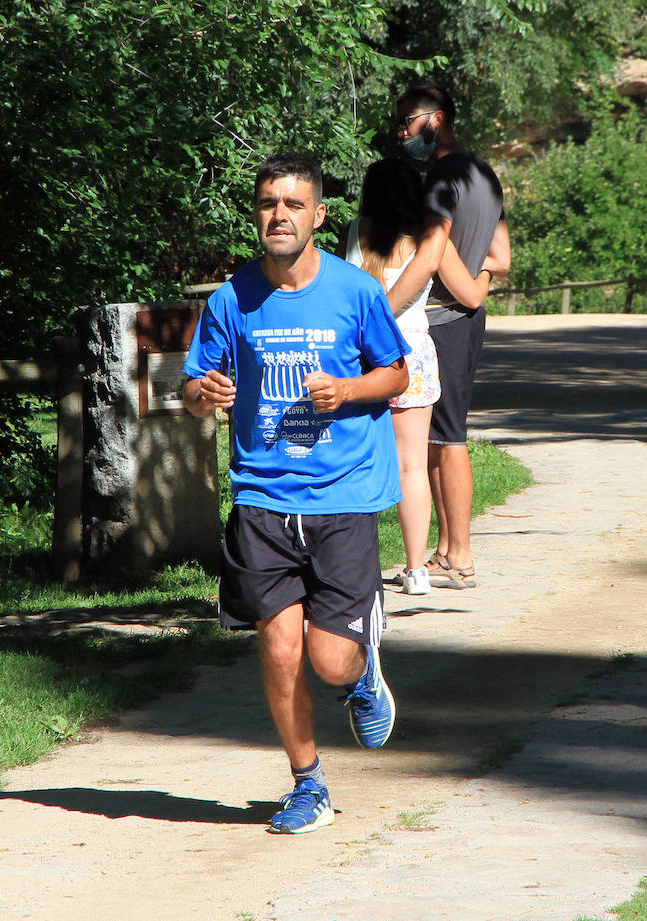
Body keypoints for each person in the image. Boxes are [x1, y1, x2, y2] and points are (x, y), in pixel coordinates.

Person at [183, 152, 407, 834]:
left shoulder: (355, 291)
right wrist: (204, 395)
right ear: (257, 213)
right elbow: (195, 388)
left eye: (292, 203)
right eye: (267, 203)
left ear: (318, 214)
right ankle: (307, 783)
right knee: (279, 649)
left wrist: (348, 390)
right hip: (261, 498)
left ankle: (362, 667)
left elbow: (396, 374)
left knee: (328, 658)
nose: (278, 215)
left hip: (340, 496)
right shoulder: (232, 298)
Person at [340, 158, 493, 596]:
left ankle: (355, 563)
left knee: (360, 459)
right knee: (412, 466)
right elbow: (468, 294)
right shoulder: (432, 239)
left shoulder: (355, 232)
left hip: (363, 356)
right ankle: (416, 568)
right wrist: (485, 274)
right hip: (413, 356)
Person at [384, 83, 510, 590]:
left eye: (407, 121)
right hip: (463, 319)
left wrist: (381, 311)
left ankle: (461, 555)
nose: (400, 132)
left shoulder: (438, 180)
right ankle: (443, 551)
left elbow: (433, 253)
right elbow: (501, 259)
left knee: (450, 439)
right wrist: (477, 282)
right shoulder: (484, 173)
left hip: (446, 319)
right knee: (437, 440)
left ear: (435, 121)